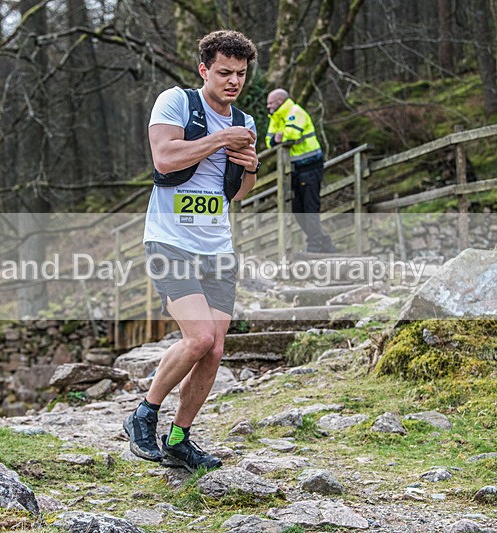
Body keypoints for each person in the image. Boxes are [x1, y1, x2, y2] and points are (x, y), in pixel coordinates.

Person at [123, 30, 259, 473]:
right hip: (170, 240)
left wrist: (251, 167)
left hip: (217, 246)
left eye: (240, 74)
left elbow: (237, 195)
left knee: (215, 349)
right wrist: (222, 140)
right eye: (224, 72)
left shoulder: (246, 122)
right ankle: (143, 413)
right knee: (198, 338)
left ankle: (180, 438)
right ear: (204, 69)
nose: (233, 81)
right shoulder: (176, 103)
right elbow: (164, 158)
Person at [266, 88, 336, 254]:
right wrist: (278, 137)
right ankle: (324, 243)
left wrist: (281, 136)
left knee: (309, 207)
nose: (268, 107)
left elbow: (292, 135)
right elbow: (269, 141)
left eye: (271, 103)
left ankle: (315, 246)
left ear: (280, 101)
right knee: (297, 210)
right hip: (295, 169)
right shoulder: (275, 117)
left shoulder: (295, 112)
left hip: (310, 166)